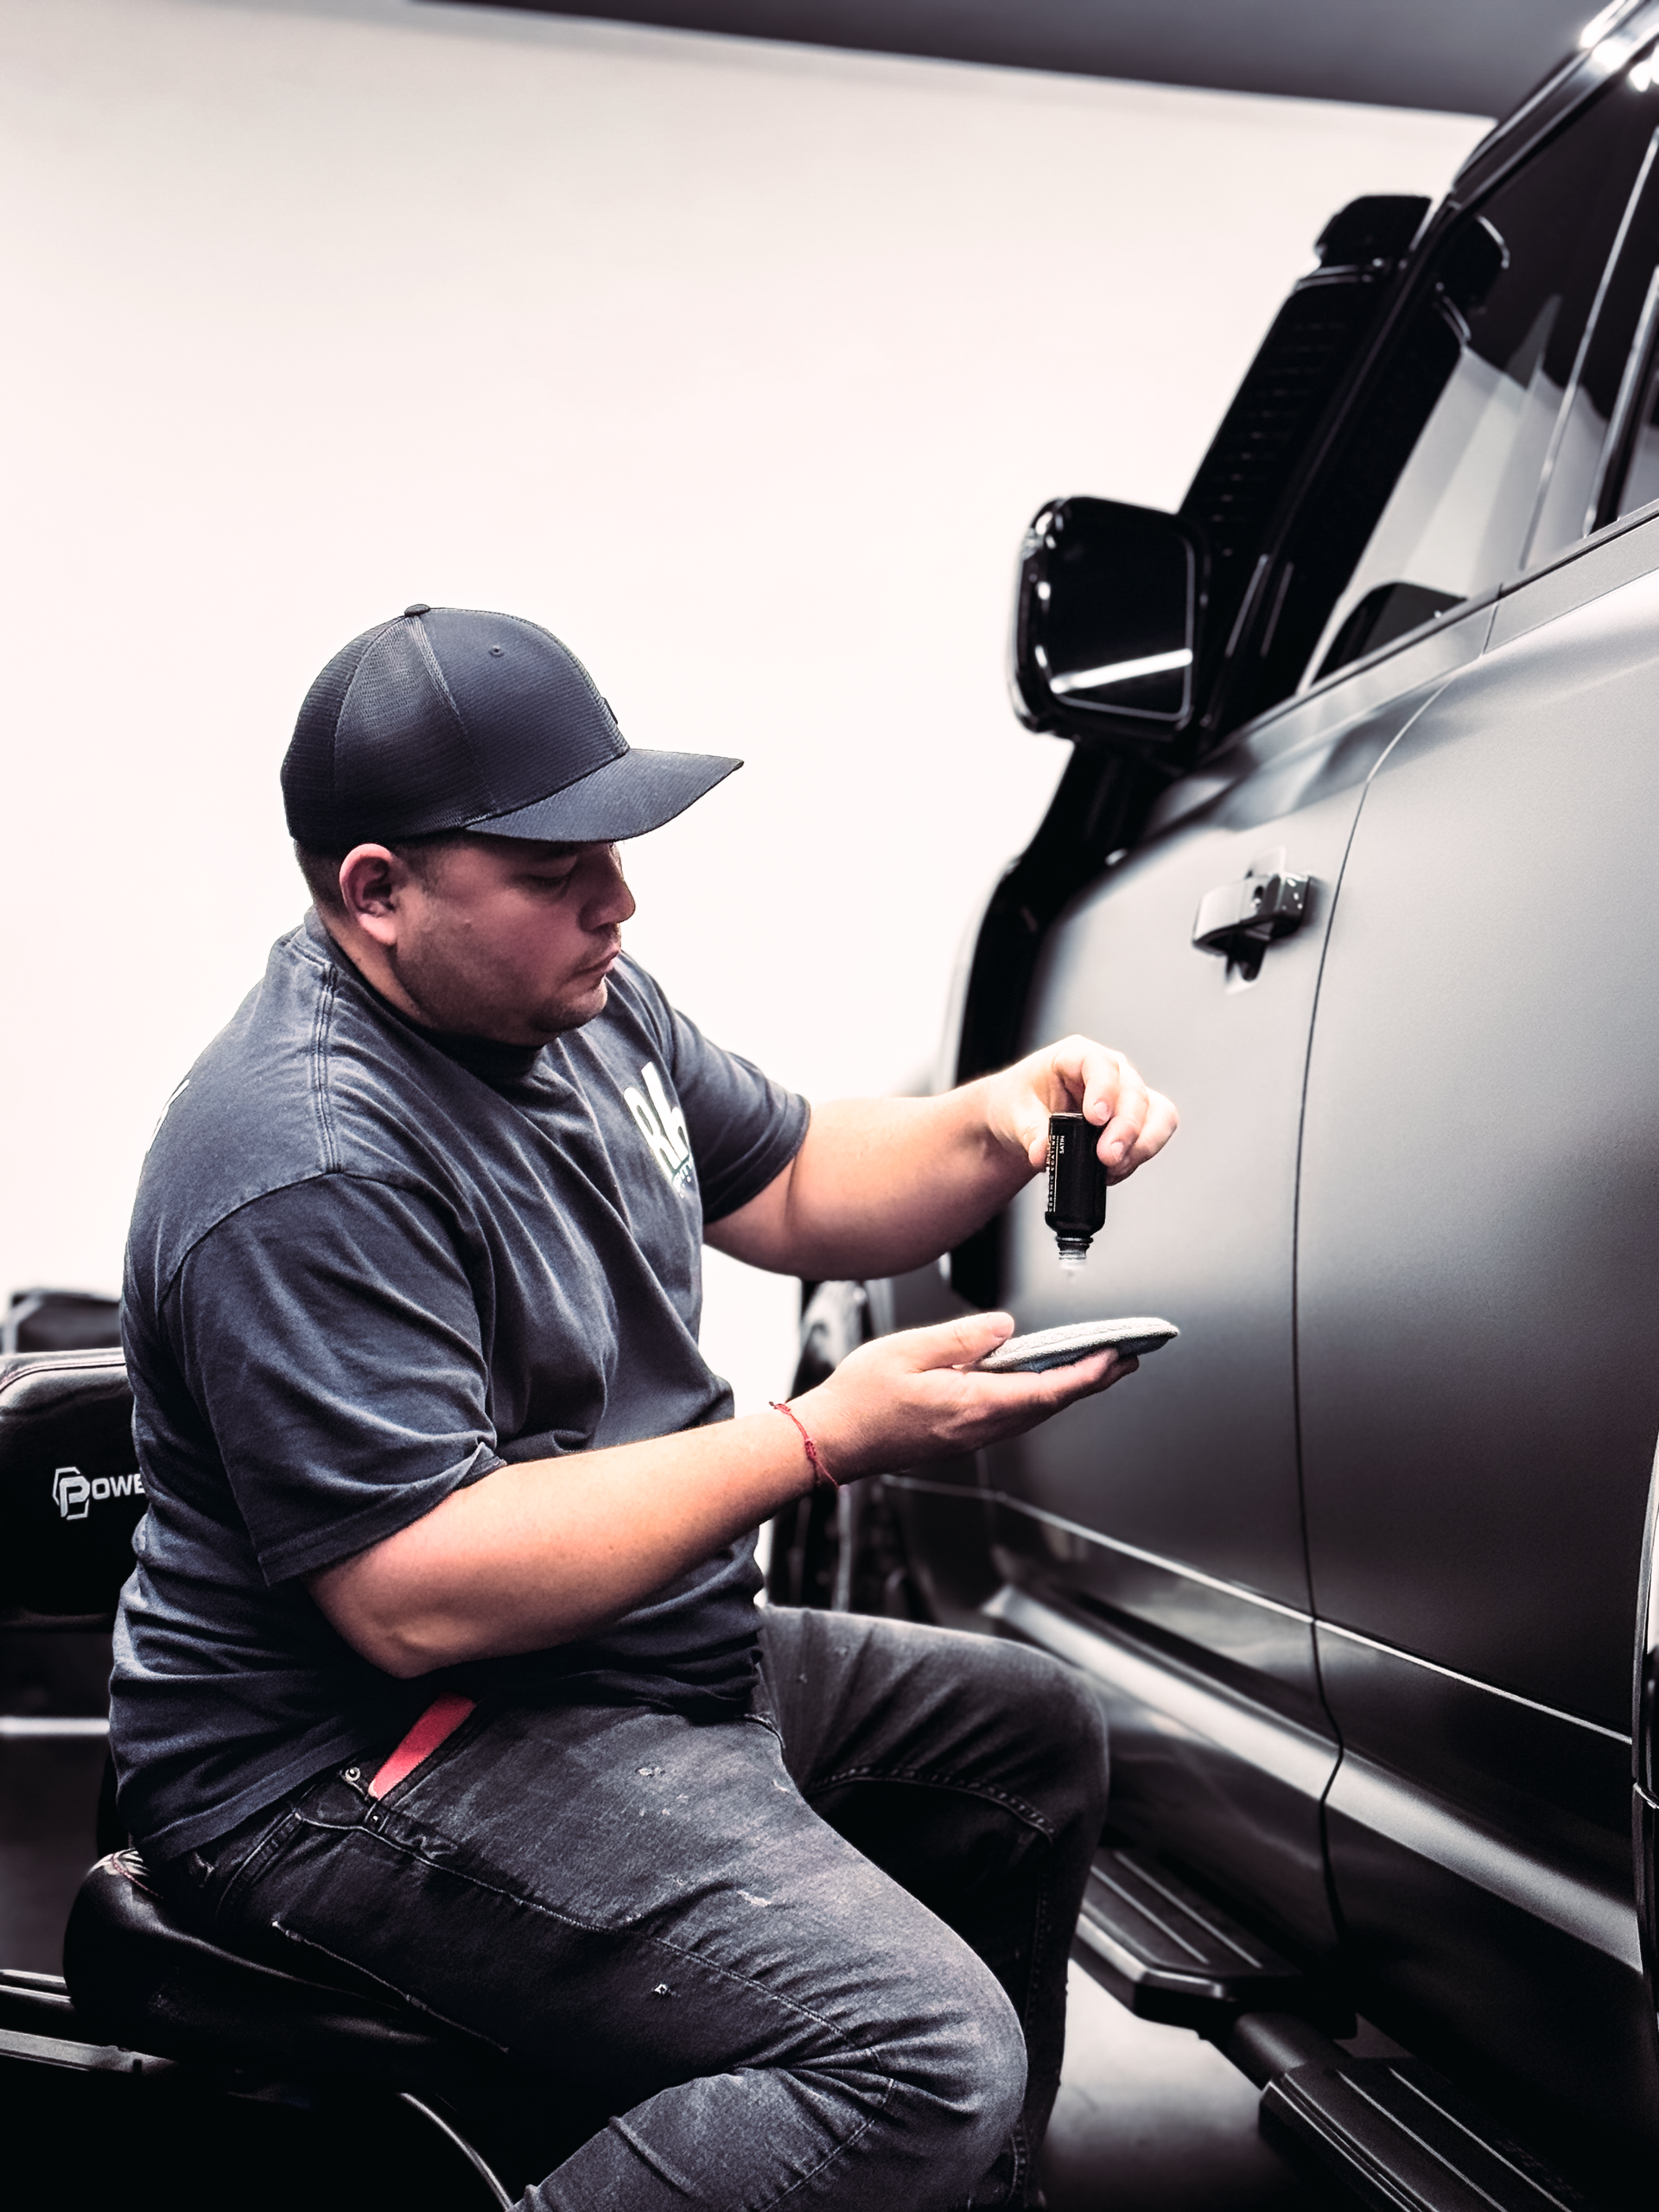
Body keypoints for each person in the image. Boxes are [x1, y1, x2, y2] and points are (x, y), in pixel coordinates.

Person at [112, 604, 1177, 2212]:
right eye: (555, 873)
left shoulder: (582, 1006)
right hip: (353, 1760)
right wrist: (821, 1441)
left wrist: (1007, 1118)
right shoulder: (306, 1154)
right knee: (919, 2060)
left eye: (613, 848)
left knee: (1020, 1746)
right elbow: (418, 1593)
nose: (618, 900)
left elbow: (804, 1179)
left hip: (618, 1663)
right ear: (378, 895)